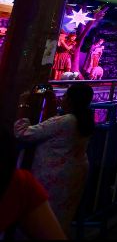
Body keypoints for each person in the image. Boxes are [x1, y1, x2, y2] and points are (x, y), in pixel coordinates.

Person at [14, 83, 94, 232]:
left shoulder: (66, 121)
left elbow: (22, 132)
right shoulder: (85, 118)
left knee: (39, 221)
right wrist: (50, 100)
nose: (61, 99)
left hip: (53, 176)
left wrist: (23, 104)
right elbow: (52, 126)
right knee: (58, 220)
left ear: (70, 100)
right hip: (72, 175)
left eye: (64, 96)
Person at [0, 126, 66, 239]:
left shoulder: (19, 184)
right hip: (68, 173)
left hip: (51, 173)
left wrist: (23, 111)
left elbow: (23, 132)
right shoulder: (20, 183)